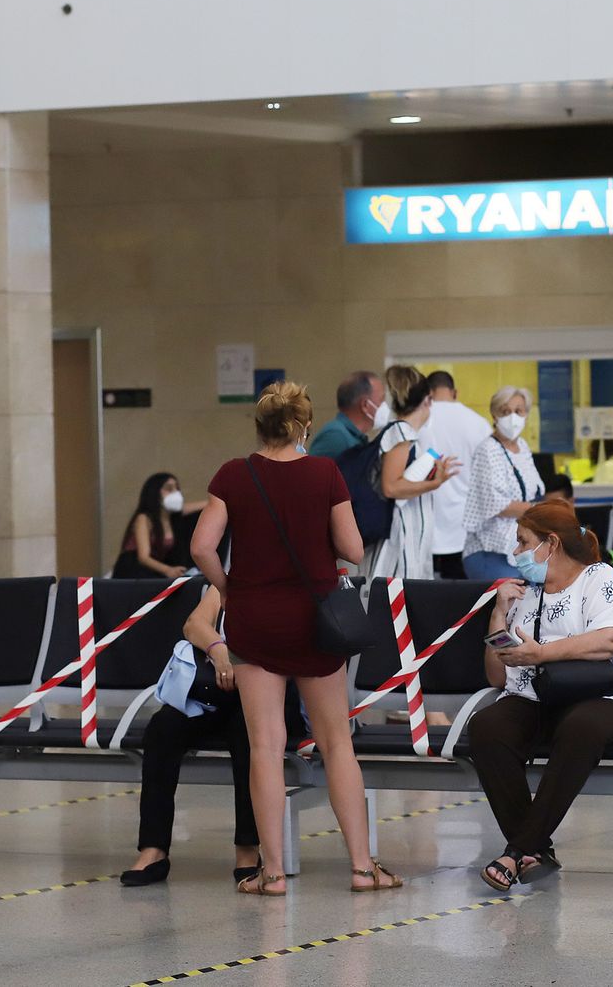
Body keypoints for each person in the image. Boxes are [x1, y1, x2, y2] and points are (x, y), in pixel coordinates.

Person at [191, 381, 403, 896]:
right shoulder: (323, 472)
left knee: (265, 747)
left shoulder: (233, 475)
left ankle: (273, 873)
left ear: (259, 427)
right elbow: (353, 549)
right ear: (305, 427)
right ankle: (360, 868)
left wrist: (229, 588)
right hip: (316, 622)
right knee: (336, 745)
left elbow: (202, 546)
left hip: (255, 622)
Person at [468, 500, 613, 891]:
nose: (515, 553)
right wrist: (498, 614)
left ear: (551, 544)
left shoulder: (598, 578)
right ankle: (536, 850)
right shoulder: (525, 593)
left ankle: (517, 851)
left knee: (580, 725)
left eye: (522, 542)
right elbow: (498, 675)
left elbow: (611, 639)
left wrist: (542, 653)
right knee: (487, 726)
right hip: (538, 701)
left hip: (607, 702)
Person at [120, 586, 305, 887]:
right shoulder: (230, 582)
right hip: (220, 692)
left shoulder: (291, 583)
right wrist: (219, 650)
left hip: (275, 696)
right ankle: (153, 849)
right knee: (163, 727)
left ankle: (247, 847)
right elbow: (194, 625)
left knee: (247, 732)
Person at [363, 365, 460, 581]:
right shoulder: (401, 433)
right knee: (393, 607)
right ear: (428, 400)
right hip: (398, 544)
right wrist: (434, 483)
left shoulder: (403, 433)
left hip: (406, 543)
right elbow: (392, 486)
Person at [460, 386, 545, 581]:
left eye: (518, 411)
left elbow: (533, 490)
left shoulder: (522, 446)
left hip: (525, 548)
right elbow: (498, 504)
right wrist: (541, 510)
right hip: (492, 551)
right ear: (494, 414)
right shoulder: (488, 450)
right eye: (505, 411)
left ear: (526, 414)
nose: (513, 417)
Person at [416, 370, 493, 580]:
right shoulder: (478, 423)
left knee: (424, 595)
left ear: (427, 393)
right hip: (465, 526)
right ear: (455, 392)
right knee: (461, 595)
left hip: (424, 523)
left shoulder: (418, 421)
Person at [113, 473, 205, 579]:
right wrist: (168, 570)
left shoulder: (173, 516)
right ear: (155, 492)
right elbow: (143, 557)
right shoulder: (144, 518)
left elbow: (205, 505)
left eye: (177, 488)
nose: (175, 493)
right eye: (169, 489)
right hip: (133, 572)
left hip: (154, 571)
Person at [307, 370, 386, 460]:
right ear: (365, 405)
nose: (384, 406)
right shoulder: (336, 437)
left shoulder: (353, 437)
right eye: (381, 400)